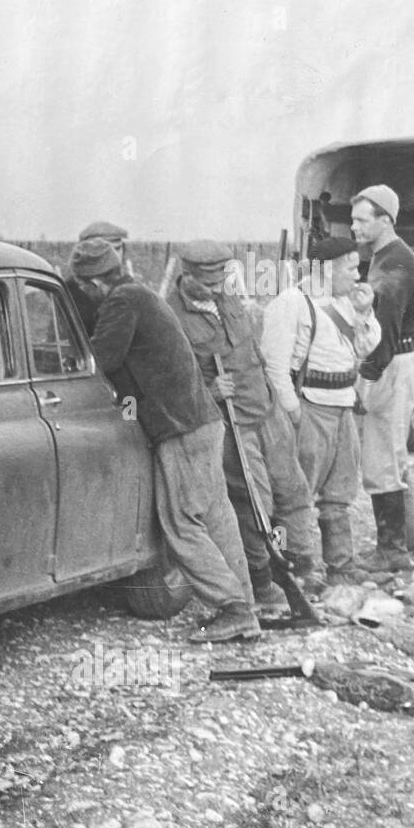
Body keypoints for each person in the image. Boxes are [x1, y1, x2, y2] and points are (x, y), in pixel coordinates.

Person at [77, 238, 260, 643]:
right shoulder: (140, 295)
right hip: (203, 423)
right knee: (217, 518)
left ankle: (233, 608)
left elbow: (99, 360)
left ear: (93, 284)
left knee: (181, 524)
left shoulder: (122, 302)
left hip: (180, 428)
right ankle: (245, 606)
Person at [166, 240, 322, 604]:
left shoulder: (228, 298)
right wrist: (209, 390)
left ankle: (300, 571)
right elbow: (169, 380)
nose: (218, 289)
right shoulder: (171, 317)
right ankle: (263, 582)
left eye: (222, 280)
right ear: (186, 276)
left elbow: (252, 351)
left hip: (267, 412)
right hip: (233, 424)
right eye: (209, 284)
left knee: (294, 492)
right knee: (255, 507)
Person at [259, 237, 381, 586]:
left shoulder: (346, 304)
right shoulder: (291, 303)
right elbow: (274, 367)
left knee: (340, 493)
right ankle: (296, 569)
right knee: (295, 495)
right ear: (326, 268)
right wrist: (294, 413)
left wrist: (365, 313)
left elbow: (366, 346)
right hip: (310, 408)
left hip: (344, 407)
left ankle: (340, 565)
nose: (358, 275)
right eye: (351, 266)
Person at [351, 184, 414, 572]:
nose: (354, 227)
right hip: (399, 361)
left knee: (383, 458)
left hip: (393, 363)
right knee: (391, 452)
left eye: (362, 220)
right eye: (353, 220)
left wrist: (365, 377)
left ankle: (393, 551)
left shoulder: (394, 262)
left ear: (385, 220)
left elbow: (386, 329)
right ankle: (404, 543)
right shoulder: (386, 256)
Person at [64, 220, 131, 335]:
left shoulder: (126, 284)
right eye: (107, 249)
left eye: (118, 249)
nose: (115, 256)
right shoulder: (73, 288)